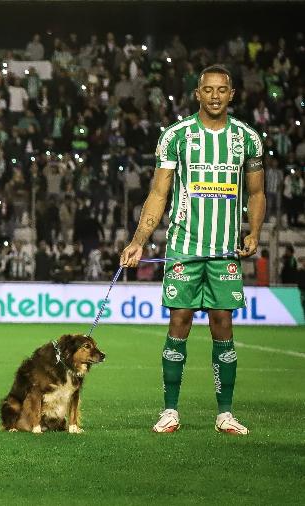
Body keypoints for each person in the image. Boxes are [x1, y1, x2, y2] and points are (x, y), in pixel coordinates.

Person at [120, 65, 265, 435]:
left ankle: (225, 413)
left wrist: (255, 232)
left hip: (224, 252)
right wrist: (139, 240)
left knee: (223, 325)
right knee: (179, 322)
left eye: (222, 90)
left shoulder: (247, 138)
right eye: (208, 90)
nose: (215, 96)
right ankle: (170, 410)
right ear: (197, 94)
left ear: (232, 94)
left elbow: (257, 193)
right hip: (184, 248)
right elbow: (158, 193)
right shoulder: (176, 136)